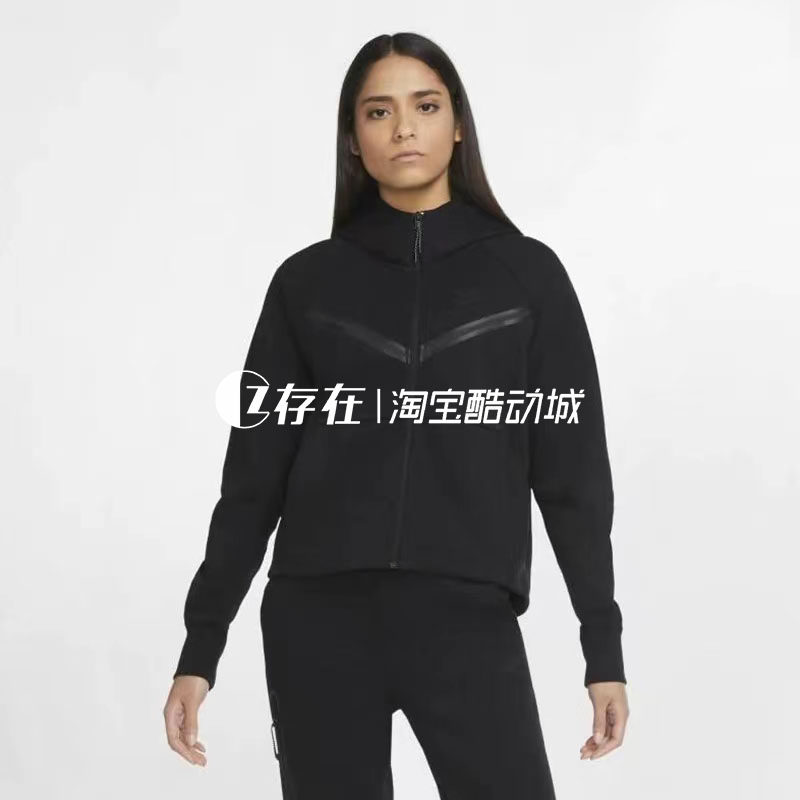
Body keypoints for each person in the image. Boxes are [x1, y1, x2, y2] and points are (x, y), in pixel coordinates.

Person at [163, 31, 630, 798]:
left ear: (459, 124)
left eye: (426, 106)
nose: (404, 127)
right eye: (378, 111)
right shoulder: (305, 285)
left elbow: (573, 476)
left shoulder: (527, 277)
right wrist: (200, 647)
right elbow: (251, 482)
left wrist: (601, 647)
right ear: (353, 137)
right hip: (317, 617)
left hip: (465, 615)